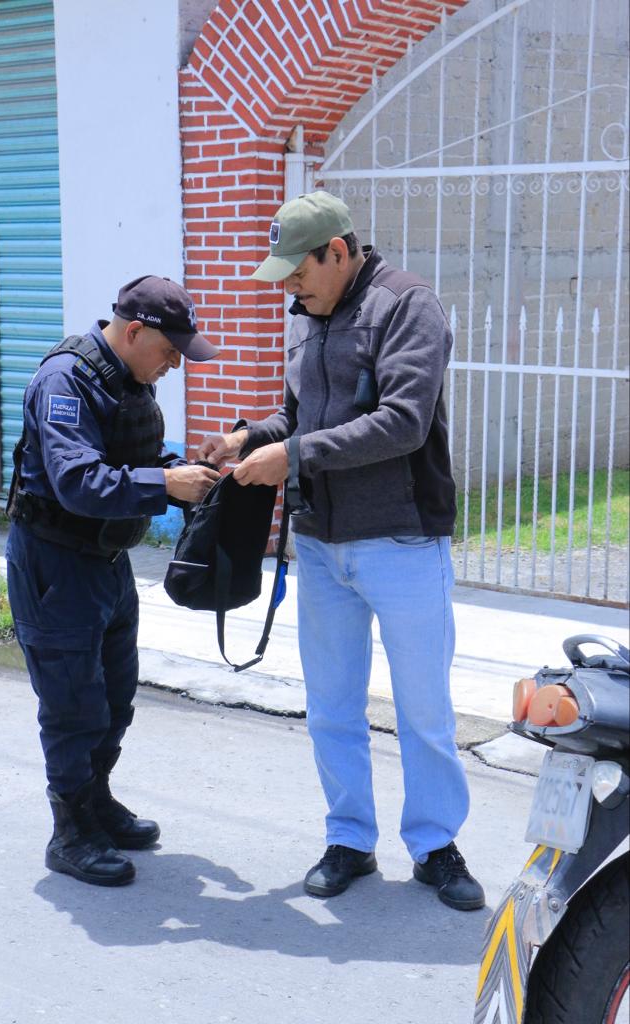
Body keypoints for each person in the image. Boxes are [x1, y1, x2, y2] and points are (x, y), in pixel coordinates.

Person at [198, 192, 485, 911]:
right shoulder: (310, 319)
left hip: (400, 542)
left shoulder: (406, 306)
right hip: (322, 547)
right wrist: (250, 437)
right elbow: (298, 415)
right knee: (330, 706)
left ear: (337, 250)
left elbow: (401, 423)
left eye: (297, 273)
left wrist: (292, 455)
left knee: (423, 710)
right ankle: (350, 839)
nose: (289, 289)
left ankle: (435, 846)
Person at [6, 275, 220, 887]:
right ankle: (69, 830)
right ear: (134, 332)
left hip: (107, 562)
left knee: (115, 695)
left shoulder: (129, 378)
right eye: (170, 352)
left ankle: (96, 801)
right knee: (73, 704)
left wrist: (185, 473)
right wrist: (164, 487)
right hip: (56, 565)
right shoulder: (64, 382)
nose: (174, 365)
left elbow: (132, 465)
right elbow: (78, 482)